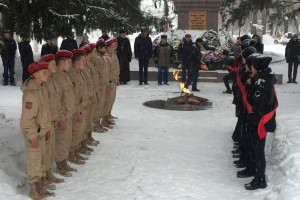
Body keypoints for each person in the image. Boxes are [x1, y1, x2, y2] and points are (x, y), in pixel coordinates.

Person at [20, 61, 54, 199]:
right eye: (44, 72)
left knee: (42, 160)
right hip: (34, 134)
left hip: (42, 132)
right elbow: (26, 120)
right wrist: (33, 136)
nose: (47, 74)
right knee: (34, 162)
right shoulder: (31, 95)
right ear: (35, 75)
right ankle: (34, 190)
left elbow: (44, 112)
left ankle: (40, 186)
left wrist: (47, 128)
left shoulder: (42, 88)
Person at [244, 55, 277, 190]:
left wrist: (253, 119)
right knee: (257, 150)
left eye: (253, 65)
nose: (250, 66)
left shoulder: (261, 83)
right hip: (258, 121)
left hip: (259, 123)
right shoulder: (263, 79)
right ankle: (258, 175)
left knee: (258, 151)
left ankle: (260, 179)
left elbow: (259, 105)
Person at [40, 54, 65, 187]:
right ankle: (43, 177)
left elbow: (58, 101)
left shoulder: (53, 80)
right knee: (44, 152)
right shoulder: (43, 83)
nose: (55, 66)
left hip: (52, 120)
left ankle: (48, 173)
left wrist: (57, 118)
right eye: (53, 64)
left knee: (50, 150)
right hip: (45, 122)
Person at [53, 50, 77, 177]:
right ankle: (60, 165)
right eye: (68, 62)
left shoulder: (64, 75)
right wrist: (61, 118)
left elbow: (69, 97)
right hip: (62, 116)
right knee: (61, 142)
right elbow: (58, 101)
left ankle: (64, 162)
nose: (70, 64)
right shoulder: (57, 77)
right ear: (61, 62)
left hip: (68, 114)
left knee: (66, 140)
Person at [67, 49, 91, 165]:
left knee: (80, 131)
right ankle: (72, 154)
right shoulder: (72, 75)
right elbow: (73, 97)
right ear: (76, 62)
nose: (84, 62)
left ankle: (76, 151)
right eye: (82, 60)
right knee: (75, 132)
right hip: (78, 110)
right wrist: (76, 111)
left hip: (83, 108)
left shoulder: (79, 73)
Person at [103, 38, 120, 128]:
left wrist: (117, 78)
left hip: (113, 80)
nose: (115, 48)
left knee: (111, 99)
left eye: (115, 46)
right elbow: (106, 73)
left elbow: (116, 68)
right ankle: (105, 118)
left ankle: (108, 114)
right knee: (107, 101)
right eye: (113, 46)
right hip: (109, 81)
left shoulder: (113, 55)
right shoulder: (106, 57)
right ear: (107, 47)